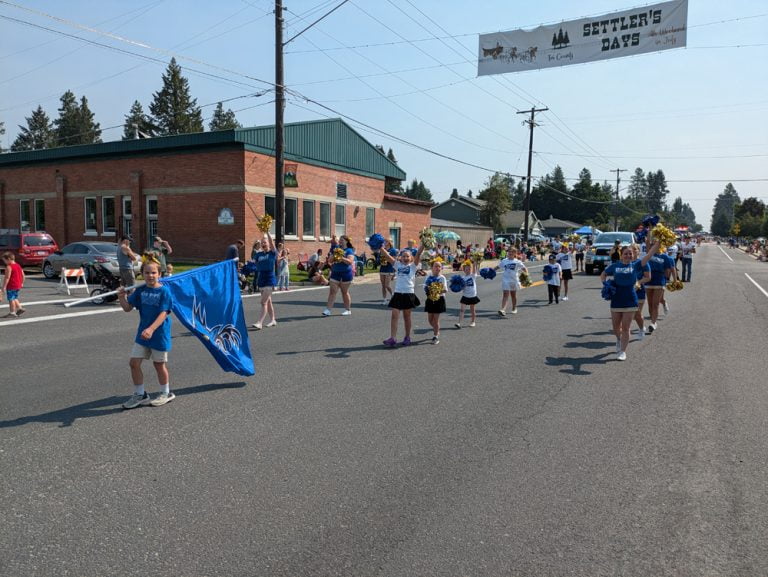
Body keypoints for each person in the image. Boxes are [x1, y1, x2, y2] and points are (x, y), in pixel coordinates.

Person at [118, 258, 175, 409]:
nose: (150, 276)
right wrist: (121, 297)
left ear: (159, 274)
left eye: (153, 273)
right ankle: (140, 394)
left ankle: (166, 393)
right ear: (142, 274)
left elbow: (164, 313)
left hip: (158, 334)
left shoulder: (164, 291)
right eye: (147, 273)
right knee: (134, 363)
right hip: (142, 334)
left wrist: (151, 329)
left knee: (159, 364)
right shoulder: (140, 290)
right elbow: (127, 308)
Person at [600, 242, 656, 360]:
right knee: (616, 327)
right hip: (616, 299)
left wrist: (659, 242)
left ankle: (622, 351)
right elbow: (603, 274)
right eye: (626, 254)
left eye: (630, 254)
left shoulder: (636, 265)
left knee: (626, 327)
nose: (628, 256)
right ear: (621, 255)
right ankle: (619, 340)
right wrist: (605, 284)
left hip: (630, 298)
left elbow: (649, 254)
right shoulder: (615, 266)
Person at [381, 243, 425, 346]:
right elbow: (387, 256)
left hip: (408, 293)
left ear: (411, 258)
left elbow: (418, 253)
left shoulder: (413, 266)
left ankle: (407, 337)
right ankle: (393, 338)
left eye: (407, 256)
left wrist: (423, 242)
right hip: (398, 293)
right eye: (403, 256)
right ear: (400, 257)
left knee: (407, 316)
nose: (405, 258)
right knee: (394, 315)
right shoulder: (397, 265)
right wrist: (379, 247)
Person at [644, 238, 676, 333]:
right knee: (650, 304)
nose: (656, 245)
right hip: (649, 280)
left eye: (658, 243)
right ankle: (653, 319)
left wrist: (674, 280)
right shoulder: (649, 254)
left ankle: (653, 323)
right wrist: (650, 228)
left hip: (659, 280)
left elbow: (670, 269)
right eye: (654, 243)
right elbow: (647, 242)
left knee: (655, 304)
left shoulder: (665, 257)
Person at [323, 235, 355, 316]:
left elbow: (350, 262)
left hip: (346, 274)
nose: (340, 241)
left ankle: (348, 310)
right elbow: (329, 261)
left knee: (344, 292)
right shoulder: (336, 249)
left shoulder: (349, 250)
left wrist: (341, 257)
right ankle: (328, 310)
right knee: (332, 292)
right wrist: (334, 255)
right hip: (335, 273)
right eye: (340, 240)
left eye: (342, 240)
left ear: (346, 241)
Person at [252, 232, 278, 330]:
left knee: (263, 302)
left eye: (265, 242)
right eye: (262, 243)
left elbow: (272, 243)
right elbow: (254, 264)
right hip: (261, 279)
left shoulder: (272, 253)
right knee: (268, 301)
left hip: (269, 279)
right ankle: (273, 320)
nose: (263, 244)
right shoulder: (258, 254)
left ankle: (260, 322)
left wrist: (267, 232)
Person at [495, 246, 527, 316]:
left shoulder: (517, 261)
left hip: (514, 280)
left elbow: (524, 268)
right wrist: (491, 270)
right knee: (505, 294)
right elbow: (498, 267)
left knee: (513, 295)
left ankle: (514, 308)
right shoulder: (504, 261)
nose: (510, 253)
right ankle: (503, 310)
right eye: (509, 251)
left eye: (512, 252)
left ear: (515, 253)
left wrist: (526, 276)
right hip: (506, 279)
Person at [423, 259, 448, 344]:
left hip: (439, 299)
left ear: (441, 268)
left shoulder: (442, 278)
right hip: (430, 299)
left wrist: (437, 291)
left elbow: (445, 290)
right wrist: (429, 290)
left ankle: (435, 336)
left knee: (436, 319)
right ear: (432, 268)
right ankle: (436, 330)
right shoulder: (428, 277)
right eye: (435, 266)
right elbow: (425, 287)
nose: (437, 268)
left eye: (439, 266)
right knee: (430, 320)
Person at [630, 244, 651, 341]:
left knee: (636, 314)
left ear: (639, 251)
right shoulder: (626, 262)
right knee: (629, 314)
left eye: (635, 249)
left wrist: (638, 282)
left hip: (639, 291)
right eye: (631, 249)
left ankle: (642, 328)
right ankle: (625, 334)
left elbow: (648, 277)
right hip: (627, 292)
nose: (633, 251)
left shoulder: (643, 263)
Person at [455, 260, 479, 328]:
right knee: (462, 310)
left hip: (472, 296)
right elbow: (461, 288)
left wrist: (474, 264)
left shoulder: (473, 276)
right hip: (465, 296)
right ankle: (459, 323)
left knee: (472, 310)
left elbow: (474, 270)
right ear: (464, 270)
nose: (468, 270)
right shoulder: (462, 278)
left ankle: (473, 321)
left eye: (469, 269)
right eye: (466, 269)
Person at [1, 252, 26, 318]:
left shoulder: (9, 267)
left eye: (4, 260)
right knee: (14, 297)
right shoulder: (18, 265)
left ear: (8, 259)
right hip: (18, 285)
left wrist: (4, 286)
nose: (4, 262)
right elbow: (23, 275)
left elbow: (7, 277)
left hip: (11, 285)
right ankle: (20, 308)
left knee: (11, 299)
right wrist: (22, 283)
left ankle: (12, 312)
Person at [378, 239, 398, 305]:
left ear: (389, 243)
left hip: (389, 269)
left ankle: (393, 295)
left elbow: (394, 261)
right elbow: (379, 258)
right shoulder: (382, 250)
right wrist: (380, 260)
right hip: (382, 269)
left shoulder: (393, 250)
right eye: (384, 242)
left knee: (387, 285)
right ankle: (384, 299)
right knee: (383, 285)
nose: (384, 243)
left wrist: (387, 259)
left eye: (386, 242)